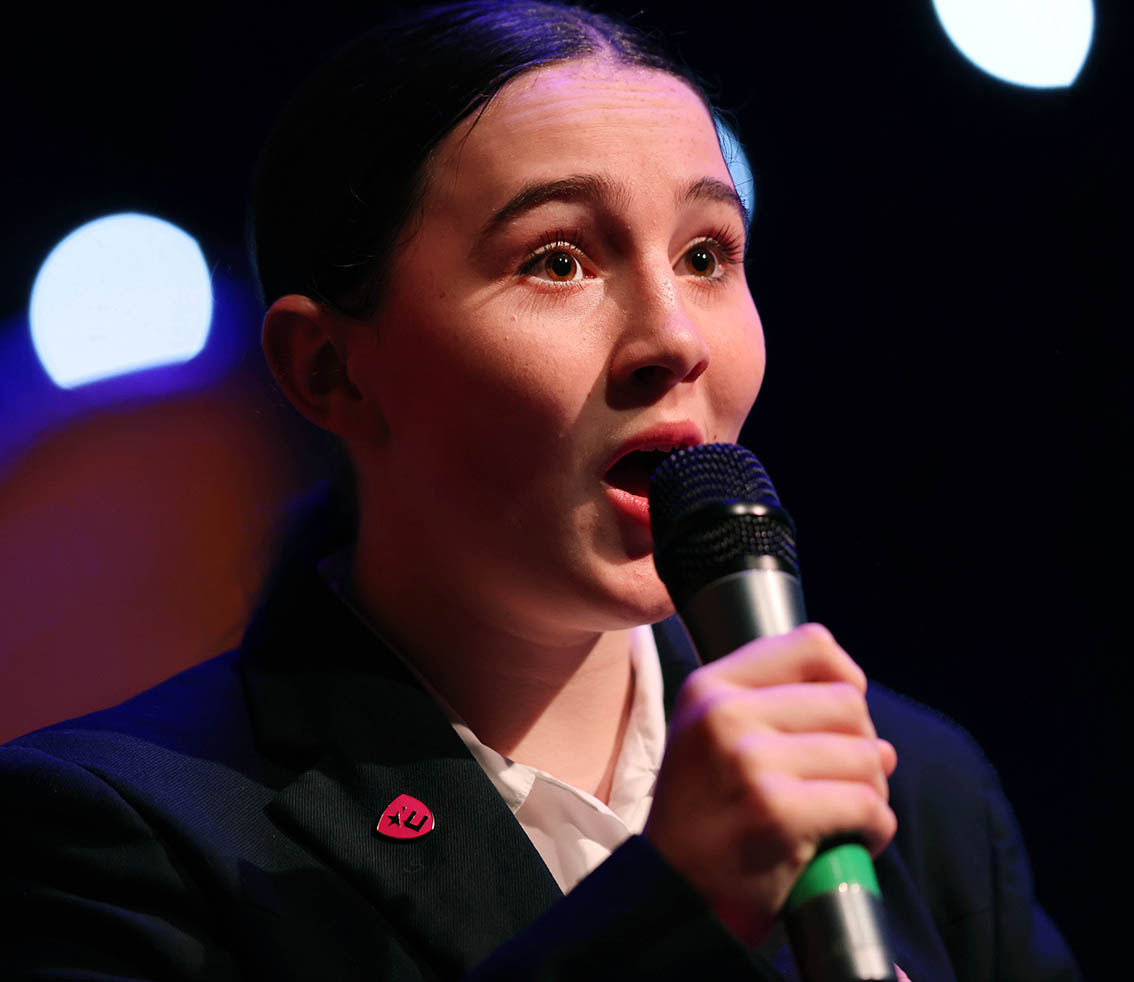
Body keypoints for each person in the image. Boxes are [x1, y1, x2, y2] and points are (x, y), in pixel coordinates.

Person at [0, 3, 1080, 979]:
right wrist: (667, 907)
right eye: (559, 260)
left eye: (707, 255)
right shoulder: (115, 832)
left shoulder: (909, 787)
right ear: (331, 372)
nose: (675, 338)